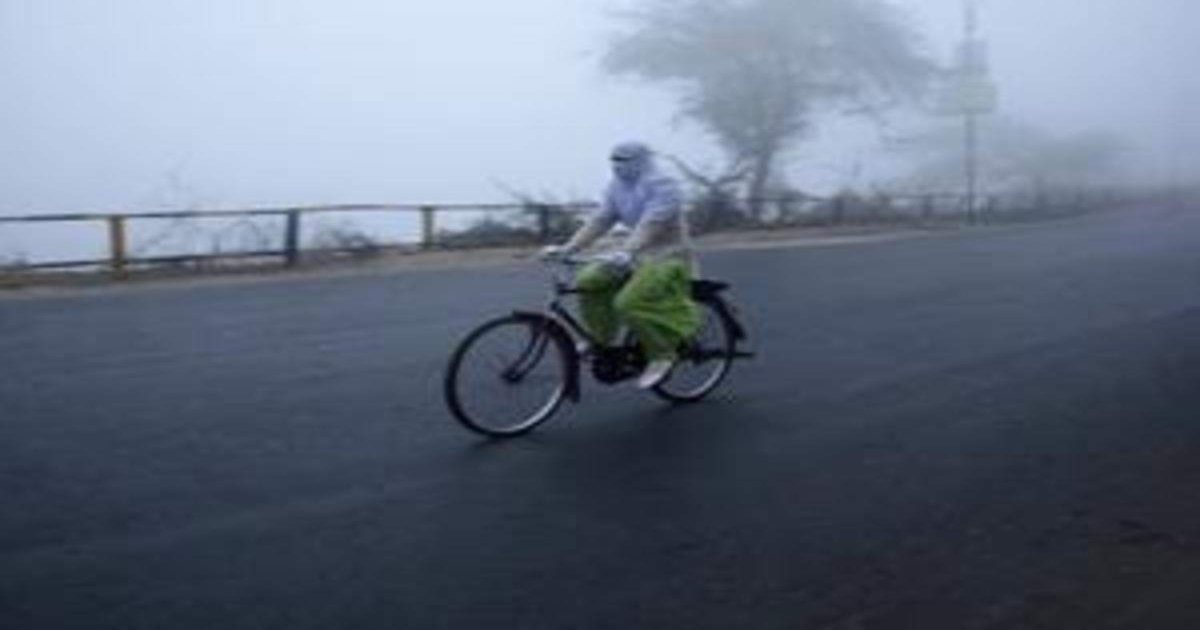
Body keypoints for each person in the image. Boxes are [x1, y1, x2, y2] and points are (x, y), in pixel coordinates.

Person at [541, 141, 700, 389]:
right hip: (633, 254)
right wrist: (568, 248)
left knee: (628, 302)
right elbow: (600, 220)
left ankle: (662, 355)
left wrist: (627, 251)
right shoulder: (617, 187)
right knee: (588, 280)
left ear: (642, 160)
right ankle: (600, 338)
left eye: (624, 159)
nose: (617, 165)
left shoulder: (663, 185)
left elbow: (652, 224)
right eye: (614, 159)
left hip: (669, 255)